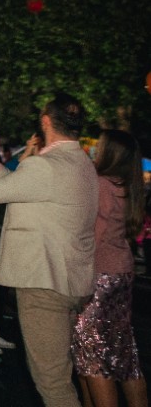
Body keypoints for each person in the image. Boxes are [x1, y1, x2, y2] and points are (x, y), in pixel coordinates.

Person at [0, 96, 98, 407]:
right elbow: (16, 186)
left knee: (53, 384)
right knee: (60, 376)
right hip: (71, 282)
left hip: (45, 285)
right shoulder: (81, 163)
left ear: (46, 122)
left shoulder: (44, 165)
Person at [70, 129, 146, 407]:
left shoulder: (101, 183)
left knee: (92, 354)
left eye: (100, 147)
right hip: (122, 273)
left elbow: (93, 237)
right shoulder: (129, 184)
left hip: (99, 275)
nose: (96, 150)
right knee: (124, 352)